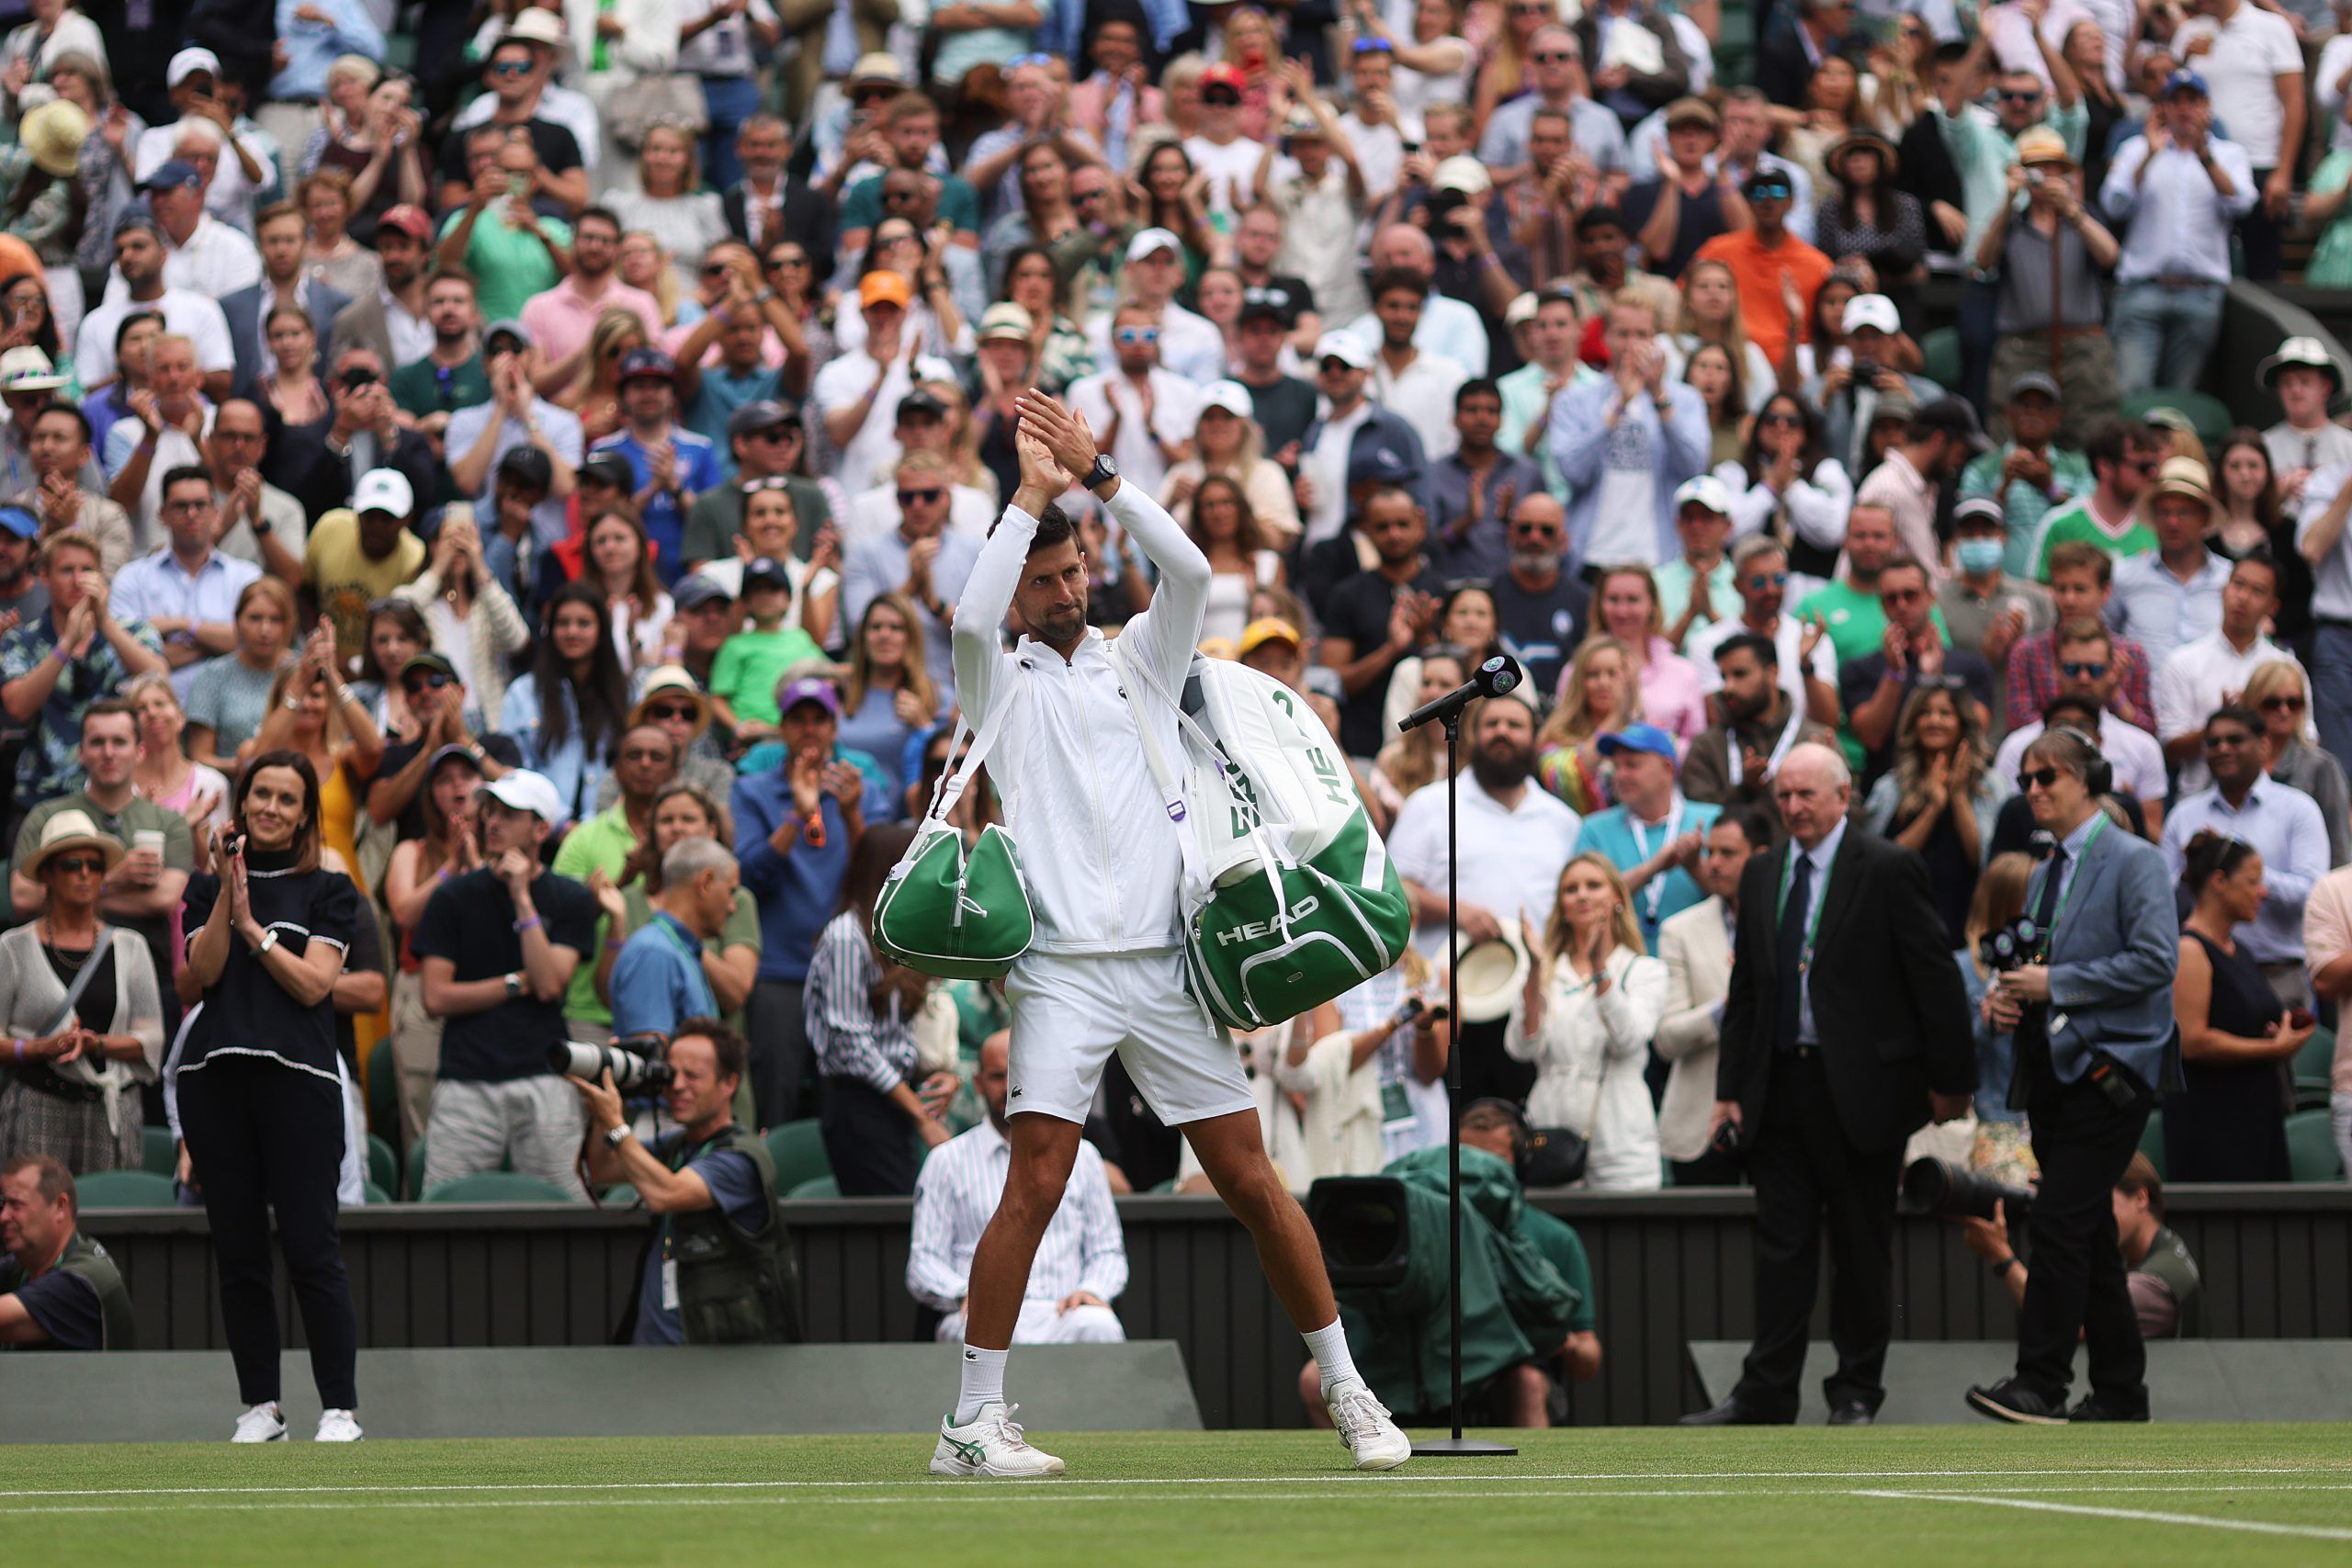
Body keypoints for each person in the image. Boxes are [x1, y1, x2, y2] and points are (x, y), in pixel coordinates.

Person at [937, 393, 1409, 1475]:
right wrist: (1026, 497)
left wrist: (1098, 475)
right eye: (1045, 580)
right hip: (1059, 974)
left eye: (1073, 573)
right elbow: (965, 623)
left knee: (1250, 1180)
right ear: (1019, 588)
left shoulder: (1144, 658)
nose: (1068, 589)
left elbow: (1190, 572)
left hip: (1168, 969)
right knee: (1038, 1183)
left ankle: (1349, 1393)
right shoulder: (996, 683)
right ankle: (970, 1422)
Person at [1684, 743, 1973, 1427]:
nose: (1793, 807)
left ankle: (1855, 1391)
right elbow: (1748, 988)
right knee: (1780, 1250)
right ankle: (1766, 1393)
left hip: (1866, 1092)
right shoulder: (1761, 874)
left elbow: (1934, 979)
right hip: (1779, 1087)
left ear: (1844, 796)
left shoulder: (1890, 867)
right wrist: (1730, 1087)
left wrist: (1954, 1082)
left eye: (1807, 794)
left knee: (1860, 1249)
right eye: (1784, 796)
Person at [1967, 726, 2179, 1424]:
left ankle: (2042, 1382)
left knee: (2058, 1224)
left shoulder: (2135, 859)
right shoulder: (2044, 867)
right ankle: (2121, 1391)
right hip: (2051, 1069)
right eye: (2026, 778)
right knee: (2085, 1233)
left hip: (2111, 1069)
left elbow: (2156, 962)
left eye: (2046, 776)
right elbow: (2035, 970)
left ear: (2089, 780)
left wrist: (2055, 982)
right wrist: (2007, 997)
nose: (2031, 790)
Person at [175, 751, 362, 1441]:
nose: (272, 808)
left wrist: (256, 928)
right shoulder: (204, 887)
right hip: (215, 1082)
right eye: (261, 795)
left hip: (301, 1084)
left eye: (288, 798)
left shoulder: (330, 890)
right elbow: (199, 978)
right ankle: (262, 1405)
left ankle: (339, 1407)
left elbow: (314, 985)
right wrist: (230, 890)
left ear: (306, 811)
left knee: (313, 1247)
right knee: (239, 1251)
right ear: (242, 802)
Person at [412, 767, 597, 1198]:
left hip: (545, 1077)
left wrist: (521, 897)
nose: (493, 822)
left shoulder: (571, 898)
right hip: (465, 1082)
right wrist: (516, 983)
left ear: (541, 828)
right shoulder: (452, 897)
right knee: (444, 1212)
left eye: (509, 814)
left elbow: (550, 985)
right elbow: (435, 997)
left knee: (565, 1216)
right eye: (490, 812)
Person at [574, 1017, 797, 1345]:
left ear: (729, 1084)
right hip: (654, 1345)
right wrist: (602, 1105)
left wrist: (616, 1124)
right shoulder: (678, 1144)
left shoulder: (742, 1158)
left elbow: (667, 1194)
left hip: (713, 1352)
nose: (677, 1086)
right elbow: (603, 1169)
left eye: (693, 1076)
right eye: (670, 1073)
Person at [910, 1029, 1127, 1347]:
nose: (1011, 1085)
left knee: (1099, 1325)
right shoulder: (947, 1161)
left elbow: (1107, 1251)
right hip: (980, 1309)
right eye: (999, 1076)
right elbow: (924, 1262)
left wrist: (1093, 1290)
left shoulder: (1084, 1156)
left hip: (1065, 1311)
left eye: (1020, 1071)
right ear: (978, 1082)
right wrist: (962, 1293)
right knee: (968, 1330)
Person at [732, 675, 871, 1129]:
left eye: (819, 719)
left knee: (848, 1100)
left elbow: (879, 876)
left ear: (834, 728)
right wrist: (797, 811)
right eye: (798, 720)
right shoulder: (752, 789)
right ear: (783, 728)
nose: (809, 730)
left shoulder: (858, 785)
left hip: (846, 969)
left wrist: (851, 815)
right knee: (776, 1094)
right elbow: (750, 877)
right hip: (778, 971)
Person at [0, 809, 164, 1171]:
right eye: (72, 864)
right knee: (36, 1221)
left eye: (94, 865)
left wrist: (95, 1044)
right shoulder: (13, 948)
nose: (85, 873)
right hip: (38, 1106)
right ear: (47, 874)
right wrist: (38, 1048)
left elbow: (151, 1040)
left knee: (112, 1221)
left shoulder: (130, 946)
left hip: (111, 1109)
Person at [1506, 853, 1667, 1191]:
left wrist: (1600, 971)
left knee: (1626, 1239)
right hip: (1551, 1131)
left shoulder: (1645, 970)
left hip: (1620, 1134)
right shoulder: (1543, 970)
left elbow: (1629, 1039)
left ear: (1618, 899)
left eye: (1593, 885)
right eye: (1570, 889)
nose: (1582, 895)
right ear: (1562, 907)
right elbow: (1521, 1049)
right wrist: (1535, 971)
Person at [804, 820, 948, 1194]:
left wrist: (944, 1078)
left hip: (895, 1100)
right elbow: (852, 1045)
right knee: (893, 1219)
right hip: (858, 1104)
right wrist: (920, 1117)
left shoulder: (894, 935)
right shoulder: (846, 937)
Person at [2162, 705, 2330, 1010]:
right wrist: (2197, 873)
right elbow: (2163, 899)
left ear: (2263, 745)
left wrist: (2238, 869)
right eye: (2213, 742)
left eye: (2235, 740)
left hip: (2279, 974)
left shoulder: (2298, 809)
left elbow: (2313, 895)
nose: (2223, 749)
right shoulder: (2184, 815)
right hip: (2201, 971)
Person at [2099, 71, 2253, 394]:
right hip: (2143, 289)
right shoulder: (2134, 149)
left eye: (2193, 101)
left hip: (2200, 292)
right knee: (2131, 390)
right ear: (2162, 107)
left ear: (2207, 106)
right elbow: (2114, 204)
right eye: (2176, 101)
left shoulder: (2229, 154)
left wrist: (2204, 156)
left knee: (2182, 397)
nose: (2185, 110)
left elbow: (2241, 203)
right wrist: (2150, 155)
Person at [2165, 831, 2304, 1183]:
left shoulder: (2239, 950)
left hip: (2256, 1114)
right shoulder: (2190, 951)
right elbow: (2193, 1041)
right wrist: (2272, 1049)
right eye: (2253, 882)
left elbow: (2238, 1019)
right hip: (2212, 1122)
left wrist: (2274, 1032)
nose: (2263, 892)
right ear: (2219, 882)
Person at [0, 532, 165, 811]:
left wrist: (106, 624)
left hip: (121, 794)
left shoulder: (134, 631)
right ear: (44, 577)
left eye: (87, 570)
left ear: (101, 576)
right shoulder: (21, 641)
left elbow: (158, 677)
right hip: (42, 794)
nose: (79, 580)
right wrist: (65, 645)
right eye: (67, 570)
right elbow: (18, 706)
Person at [1960, 1153, 2203, 1339]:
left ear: (2140, 1198)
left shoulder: (2153, 1285)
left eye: (2101, 1200)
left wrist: (2001, 1256)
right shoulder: (2161, 1248)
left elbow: (2067, 1322)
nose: (2090, 1214)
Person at [1551, 290, 1710, 573]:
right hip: (1592, 553)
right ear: (1606, 338)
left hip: (1659, 555)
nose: (1632, 345)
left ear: (1656, 340)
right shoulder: (1575, 400)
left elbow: (1693, 466)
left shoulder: (1684, 399)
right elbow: (1572, 471)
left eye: (1641, 334)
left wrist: (1660, 396)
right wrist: (1618, 406)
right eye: (1623, 334)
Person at [1657, 810, 1766, 1185]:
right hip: (1699, 1126)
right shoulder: (1680, 930)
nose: (1713, 864)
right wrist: (1729, 1007)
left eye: (1728, 853)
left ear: (1761, 856)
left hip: (1779, 1120)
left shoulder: (1793, 923)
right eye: (1709, 853)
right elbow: (1666, 1039)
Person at [1860, 684, 2010, 950]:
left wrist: (1959, 797)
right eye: (1925, 713)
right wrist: (1933, 808)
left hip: (1966, 925)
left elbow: (1984, 859)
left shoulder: (1990, 785)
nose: (1934, 721)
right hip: (1901, 924)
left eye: (1945, 713)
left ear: (1963, 723)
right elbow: (1882, 862)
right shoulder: (1890, 787)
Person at [2155, 552, 2303, 794]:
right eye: (2238, 585)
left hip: (2275, 798)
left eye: (2257, 591)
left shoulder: (2287, 667)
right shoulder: (2183, 662)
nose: (2243, 598)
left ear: (2273, 607)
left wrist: (2260, 715)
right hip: (2199, 798)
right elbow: (2172, 748)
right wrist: (2223, 723)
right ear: (2224, 589)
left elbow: (2304, 737)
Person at [1573, 723, 1720, 953]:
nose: (1620, 775)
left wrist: (1695, 867)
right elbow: (1584, 904)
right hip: (1623, 971)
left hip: (1698, 963)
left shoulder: (1713, 821)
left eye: (1632, 765)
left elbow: (1736, 900)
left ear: (1668, 768)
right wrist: (1651, 869)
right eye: (1616, 766)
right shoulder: (1594, 828)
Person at [502, 582, 632, 829]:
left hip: (608, 832)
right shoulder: (523, 693)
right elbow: (517, 771)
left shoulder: (625, 693)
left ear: (601, 630)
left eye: (584, 623)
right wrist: (559, 823)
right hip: (541, 834)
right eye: (563, 623)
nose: (572, 632)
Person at [1681, 631, 1839, 833]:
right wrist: (1744, 791)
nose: (1728, 687)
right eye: (1724, 677)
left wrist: (1822, 783)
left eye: (1739, 674)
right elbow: (1697, 824)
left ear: (1772, 673)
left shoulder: (1813, 740)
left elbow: (1852, 816)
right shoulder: (1707, 747)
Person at [0, 1155, 137, 1348]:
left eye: (16, 1205)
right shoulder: (27, 1263)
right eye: (3, 1204)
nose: (3, 1216)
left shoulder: (80, 1282)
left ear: (60, 1207)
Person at [2247, 660, 2351, 870]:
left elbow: (2339, 846)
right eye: (2272, 703)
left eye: (2293, 703)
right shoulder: (2237, 763)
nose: (2284, 711)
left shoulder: (2322, 766)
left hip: (2308, 890)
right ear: (2253, 704)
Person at [1488, 494, 1590, 699]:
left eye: (1547, 530)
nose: (1535, 538)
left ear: (1564, 542)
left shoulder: (1585, 603)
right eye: (1525, 529)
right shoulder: (1487, 597)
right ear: (1511, 535)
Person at [126, 671, 229, 836]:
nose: (152, 713)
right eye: (141, 709)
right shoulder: (116, 784)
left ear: (180, 717)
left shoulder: (212, 784)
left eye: (160, 704)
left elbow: (216, 859)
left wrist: (193, 828)